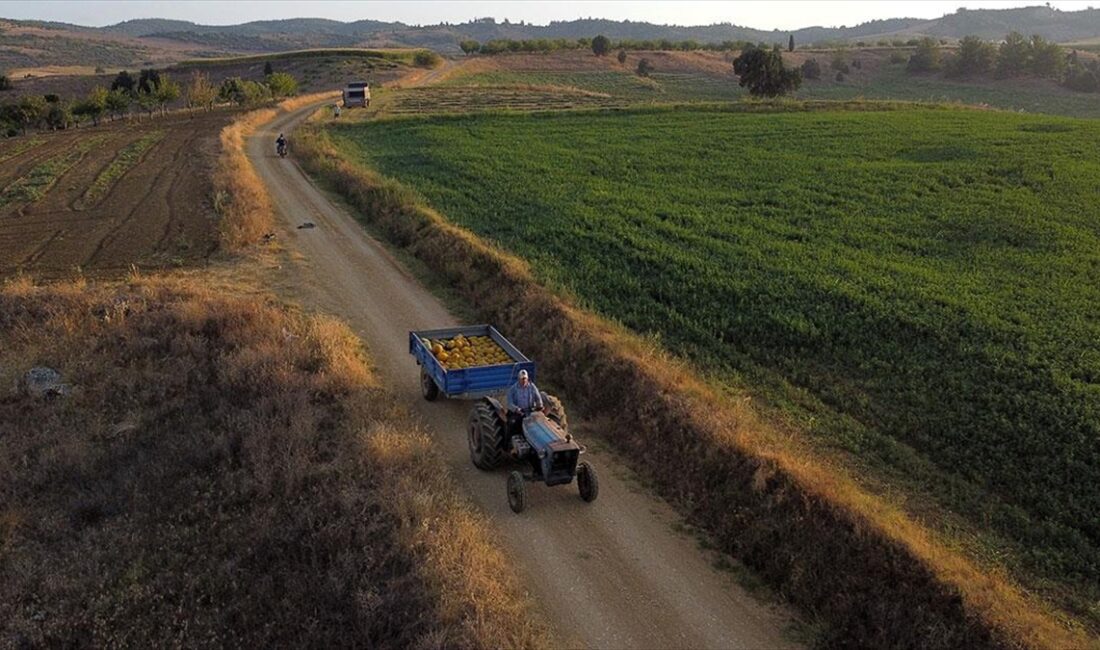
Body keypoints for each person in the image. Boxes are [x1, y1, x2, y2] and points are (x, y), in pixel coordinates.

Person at [506, 369, 543, 434]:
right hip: (518, 413)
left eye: (525, 379)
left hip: (530, 411)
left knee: (541, 423)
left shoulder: (532, 387)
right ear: (518, 379)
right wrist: (516, 409)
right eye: (522, 379)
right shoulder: (512, 389)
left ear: (527, 378)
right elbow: (509, 403)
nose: (524, 381)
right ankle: (509, 441)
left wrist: (539, 405)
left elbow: (538, 397)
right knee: (512, 424)